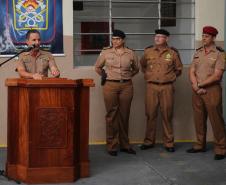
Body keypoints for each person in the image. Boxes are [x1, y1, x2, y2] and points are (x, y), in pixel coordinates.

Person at [95, 29, 139, 156]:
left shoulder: (130, 53)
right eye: (113, 39)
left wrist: (127, 76)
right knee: (111, 115)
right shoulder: (105, 52)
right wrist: (104, 75)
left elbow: (136, 68)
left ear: (123, 40)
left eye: (118, 39)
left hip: (126, 86)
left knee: (124, 115)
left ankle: (125, 144)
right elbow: (97, 67)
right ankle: (112, 146)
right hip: (110, 85)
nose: (115, 41)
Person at [140, 29, 183, 152]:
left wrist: (170, 77)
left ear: (167, 39)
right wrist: (149, 75)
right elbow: (142, 65)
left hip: (167, 87)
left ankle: (169, 143)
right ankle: (148, 141)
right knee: (150, 114)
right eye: (156, 36)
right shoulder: (148, 52)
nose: (157, 38)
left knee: (167, 114)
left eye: (160, 36)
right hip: (151, 87)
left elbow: (179, 69)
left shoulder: (173, 53)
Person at [187, 26, 226, 160]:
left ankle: (221, 148)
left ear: (214, 38)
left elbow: (217, 76)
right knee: (199, 119)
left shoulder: (220, 53)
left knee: (216, 120)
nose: (204, 38)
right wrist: (195, 86)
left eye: (207, 36)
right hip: (197, 90)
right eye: (203, 35)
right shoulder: (198, 52)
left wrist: (200, 85)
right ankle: (199, 145)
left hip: (212, 90)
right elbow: (191, 71)